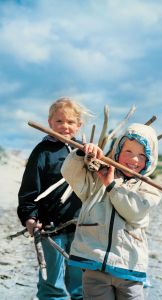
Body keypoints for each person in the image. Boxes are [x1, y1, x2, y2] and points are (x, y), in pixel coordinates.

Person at [61, 123, 162, 300]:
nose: (134, 160)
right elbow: (69, 172)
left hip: (129, 267)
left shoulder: (149, 188)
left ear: (150, 160)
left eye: (142, 155)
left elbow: (134, 212)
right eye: (128, 152)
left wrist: (112, 185)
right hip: (94, 263)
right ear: (117, 151)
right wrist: (81, 154)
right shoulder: (98, 176)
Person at [17, 97, 92, 300]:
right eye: (59, 121)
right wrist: (29, 216)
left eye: (70, 122)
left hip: (80, 226)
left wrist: (94, 154)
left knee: (80, 283)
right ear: (50, 123)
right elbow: (29, 189)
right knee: (53, 283)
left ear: (79, 125)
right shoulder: (42, 152)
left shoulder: (84, 151)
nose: (64, 126)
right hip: (51, 228)